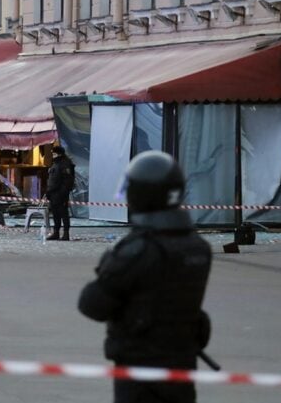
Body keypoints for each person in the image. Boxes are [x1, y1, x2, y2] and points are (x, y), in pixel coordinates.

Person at [78, 151, 212, 403]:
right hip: (181, 362)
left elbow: (91, 304)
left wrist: (111, 263)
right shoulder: (198, 247)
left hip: (140, 367)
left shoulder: (139, 250)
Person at [46, 146, 75, 241]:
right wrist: (49, 192)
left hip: (60, 194)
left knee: (64, 214)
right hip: (53, 193)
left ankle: (66, 234)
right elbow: (52, 179)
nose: (53, 156)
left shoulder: (65, 164)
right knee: (55, 214)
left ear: (59, 154)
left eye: (54, 154)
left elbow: (67, 181)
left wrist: (63, 193)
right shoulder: (56, 164)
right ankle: (56, 232)